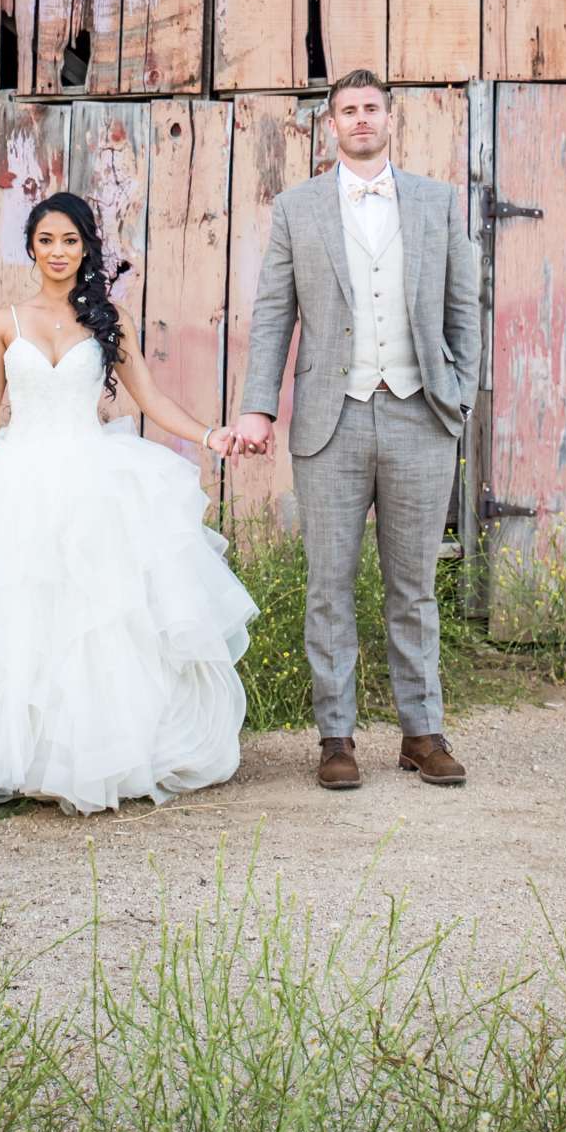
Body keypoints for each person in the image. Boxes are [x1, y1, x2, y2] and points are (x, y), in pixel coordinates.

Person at [0, 191, 255, 821]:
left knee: (92, 619)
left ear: (87, 248)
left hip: (88, 475)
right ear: (31, 247)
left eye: (71, 241)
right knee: (14, 618)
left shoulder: (110, 319)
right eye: (47, 240)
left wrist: (208, 434)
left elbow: (149, 398)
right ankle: (10, 758)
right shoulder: (8, 320)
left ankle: (82, 757)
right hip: (18, 472)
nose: (58, 252)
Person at [235, 69, 481, 792]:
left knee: (414, 587)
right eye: (348, 110)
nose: (361, 119)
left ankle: (421, 732)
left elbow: (463, 305)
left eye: (372, 108)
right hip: (330, 420)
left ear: (390, 118)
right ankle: (335, 737)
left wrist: (458, 399)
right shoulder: (297, 207)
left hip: (419, 414)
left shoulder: (438, 203)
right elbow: (274, 313)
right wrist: (258, 406)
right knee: (329, 586)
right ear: (332, 124)